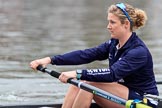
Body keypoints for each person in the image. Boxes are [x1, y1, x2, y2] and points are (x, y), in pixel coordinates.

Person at [30, 3, 159, 108]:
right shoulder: (113, 44)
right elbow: (85, 55)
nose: (108, 27)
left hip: (145, 100)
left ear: (126, 24)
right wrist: (49, 59)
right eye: (108, 22)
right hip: (123, 93)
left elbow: (112, 74)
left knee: (88, 86)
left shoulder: (138, 51)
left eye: (112, 22)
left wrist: (77, 73)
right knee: (78, 84)